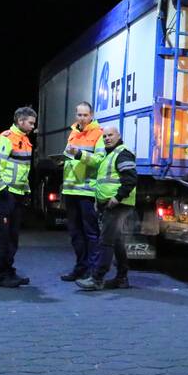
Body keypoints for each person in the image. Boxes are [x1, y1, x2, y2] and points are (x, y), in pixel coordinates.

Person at [77, 126, 136, 291]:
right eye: (104, 136)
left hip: (118, 204)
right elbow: (104, 181)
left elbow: (131, 179)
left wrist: (117, 198)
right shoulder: (109, 154)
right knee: (116, 241)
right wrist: (99, 201)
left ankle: (97, 278)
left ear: (119, 135)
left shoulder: (122, 153)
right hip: (110, 204)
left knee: (106, 241)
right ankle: (122, 278)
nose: (107, 138)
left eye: (110, 135)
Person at [0, 106, 35, 288]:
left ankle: (8, 271)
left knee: (12, 236)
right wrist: (2, 190)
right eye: (30, 123)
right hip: (6, 195)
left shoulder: (24, 139)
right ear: (20, 121)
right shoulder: (7, 138)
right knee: (3, 237)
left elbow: (23, 170)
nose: (33, 126)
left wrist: (26, 191)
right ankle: (0, 275)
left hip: (17, 195)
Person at [60, 101, 105, 282]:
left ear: (91, 116)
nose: (82, 118)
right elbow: (69, 157)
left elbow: (99, 160)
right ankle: (80, 268)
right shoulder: (73, 132)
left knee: (91, 234)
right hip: (71, 190)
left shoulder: (98, 134)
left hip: (87, 191)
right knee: (75, 233)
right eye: (79, 115)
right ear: (75, 115)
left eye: (85, 115)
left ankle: (92, 271)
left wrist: (79, 154)